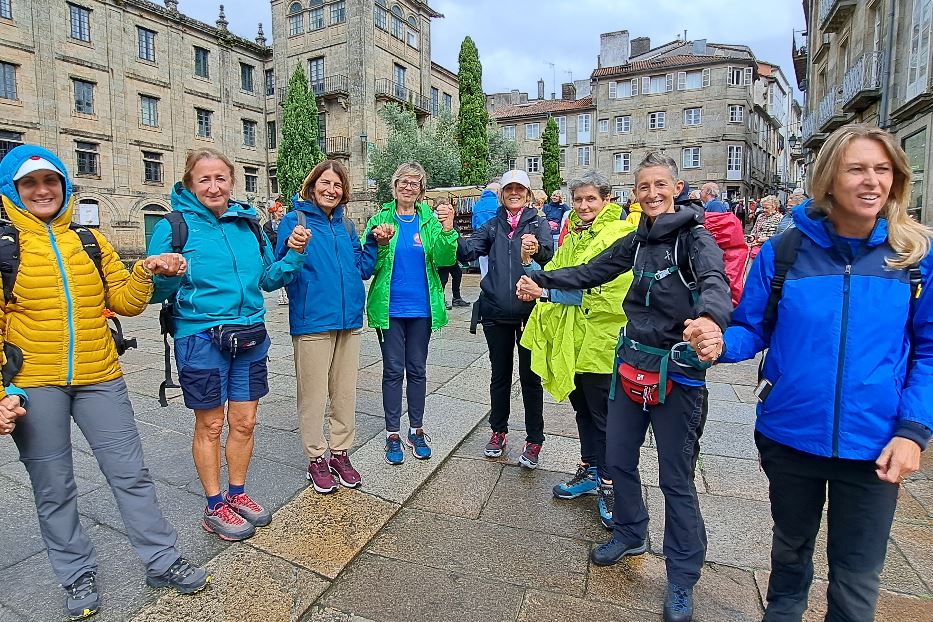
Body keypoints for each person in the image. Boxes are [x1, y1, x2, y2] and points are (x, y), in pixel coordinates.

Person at [699, 124, 933, 621]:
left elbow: (929, 354)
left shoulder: (914, 259)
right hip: (790, 434)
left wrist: (914, 431)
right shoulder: (783, 253)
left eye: (883, 170)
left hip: (877, 444)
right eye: (858, 169)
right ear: (828, 178)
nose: (872, 181)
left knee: (855, 582)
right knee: (788, 557)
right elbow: (751, 329)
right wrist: (717, 344)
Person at [517, 153, 732, 622]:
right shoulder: (637, 241)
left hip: (677, 373)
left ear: (676, 187)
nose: (652, 193)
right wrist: (541, 278)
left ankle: (680, 576)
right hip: (629, 366)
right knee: (616, 457)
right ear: (634, 194)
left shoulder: (694, 239)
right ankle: (632, 532)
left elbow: (716, 283)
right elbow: (592, 271)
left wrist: (711, 320)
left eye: (660, 185)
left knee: (676, 479)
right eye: (643, 187)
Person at [0, 145, 210, 620]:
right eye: (29, 183)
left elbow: (126, 301)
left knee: (130, 474)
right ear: (12, 191)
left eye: (50, 181)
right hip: (35, 384)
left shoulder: (90, 241)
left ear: (64, 187)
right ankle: (76, 573)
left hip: (100, 376)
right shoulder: (5, 247)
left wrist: (146, 271)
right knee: (53, 485)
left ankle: (162, 559)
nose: (41, 190)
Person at [149, 148, 309, 542]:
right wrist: (167, 275)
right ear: (190, 183)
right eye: (204, 179)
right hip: (201, 336)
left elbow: (269, 278)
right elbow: (152, 289)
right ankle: (214, 503)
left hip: (250, 334)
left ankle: (237, 493)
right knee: (212, 423)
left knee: (245, 421)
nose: (214, 186)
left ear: (231, 181)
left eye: (220, 178)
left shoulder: (248, 224)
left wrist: (295, 254)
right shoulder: (174, 226)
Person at [519, 171, 635, 529]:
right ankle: (590, 468)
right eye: (579, 199)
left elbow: (605, 291)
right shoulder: (577, 234)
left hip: (601, 342)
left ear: (607, 200)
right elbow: (559, 270)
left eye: (591, 199)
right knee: (582, 410)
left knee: (605, 418)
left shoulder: (617, 234)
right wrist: (531, 269)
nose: (584, 206)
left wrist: (547, 291)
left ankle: (611, 486)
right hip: (576, 341)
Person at [276, 160, 377, 493]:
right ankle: (316, 458)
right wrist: (293, 248)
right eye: (325, 183)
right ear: (312, 184)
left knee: (345, 393)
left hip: (349, 320)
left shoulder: (347, 226)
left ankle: (340, 453)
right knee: (314, 396)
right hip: (312, 321)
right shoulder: (294, 221)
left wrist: (375, 243)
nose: (331, 190)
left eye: (337, 185)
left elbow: (362, 268)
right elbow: (279, 272)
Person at [363, 162, 458, 465]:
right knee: (393, 370)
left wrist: (447, 230)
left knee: (417, 369)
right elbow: (370, 266)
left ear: (421, 191)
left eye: (415, 183)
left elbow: (444, 259)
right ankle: (392, 433)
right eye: (403, 181)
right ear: (394, 186)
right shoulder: (379, 219)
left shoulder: (429, 221)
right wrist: (378, 243)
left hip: (421, 309)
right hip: (389, 309)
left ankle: (416, 429)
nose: (408, 187)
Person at [457, 169, 554, 468]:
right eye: (509, 189)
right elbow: (468, 252)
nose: (514, 193)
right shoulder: (491, 224)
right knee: (499, 376)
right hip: (496, 312)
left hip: (529, 313)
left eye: (520, 190)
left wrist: (536, 250)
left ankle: (534, 439)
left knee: (530, 378)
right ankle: (498, 431)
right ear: (502, 194)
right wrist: (448, 231)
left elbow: (550, 258)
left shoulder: (537, 223)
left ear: (527, 194)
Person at [433, 197, 470, 309]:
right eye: (446, 205)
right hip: (442, 255)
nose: (449, 207)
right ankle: (440, 300)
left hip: (451, 255)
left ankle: (456, 298)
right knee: (442, 279)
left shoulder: (449, 217)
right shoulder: (435, 220)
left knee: (457, 274)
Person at [470, 182, 500, 278]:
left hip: (481, 240)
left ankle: (485, 289)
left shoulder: (477, 205)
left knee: (484, 269)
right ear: (498, 191)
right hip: (497, 240)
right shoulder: (498, 203)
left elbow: (474, 224)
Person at [264, 202, 288, 305]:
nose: (282, 213)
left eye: (282, 211)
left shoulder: (286, 222)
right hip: (275, 251)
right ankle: (280, 295)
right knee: (278, 271)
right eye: (280, 212)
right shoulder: (268, 225)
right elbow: (269, 239)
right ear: (274, 213)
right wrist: (279, 237)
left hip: (285, 251)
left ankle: (286, 295)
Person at [748, 195, 783, 260]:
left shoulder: (780, 218)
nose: (764, 210)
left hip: (769, 250)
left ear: (774, 207)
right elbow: (754, 230)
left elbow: (779, 237)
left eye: (766, 208)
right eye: (763, 208)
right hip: (755, 249)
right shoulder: (760, 216)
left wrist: (764, 239)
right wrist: (752, 236)